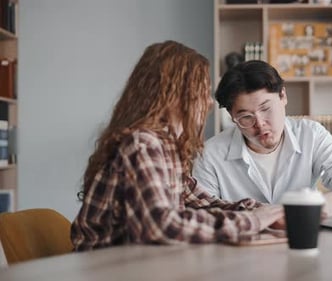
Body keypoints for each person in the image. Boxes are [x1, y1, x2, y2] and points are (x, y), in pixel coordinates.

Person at [71, 41, 283, 251]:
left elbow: (205, 203)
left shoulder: (166, 148)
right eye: (201, 91)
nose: (209, 103)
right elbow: (161, 226)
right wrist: (252, 221)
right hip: (104, 268)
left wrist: (267, 212)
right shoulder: (143, 143)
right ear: (172, 94)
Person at [192, 60, 332, 216]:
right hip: (240, 247)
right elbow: (202, 215)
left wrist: (313, 208)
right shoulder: (210, 155)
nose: (260, 124)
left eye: (266, 109)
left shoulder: (310, 135)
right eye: (246, 117)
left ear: (283, 96)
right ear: (232, 117)